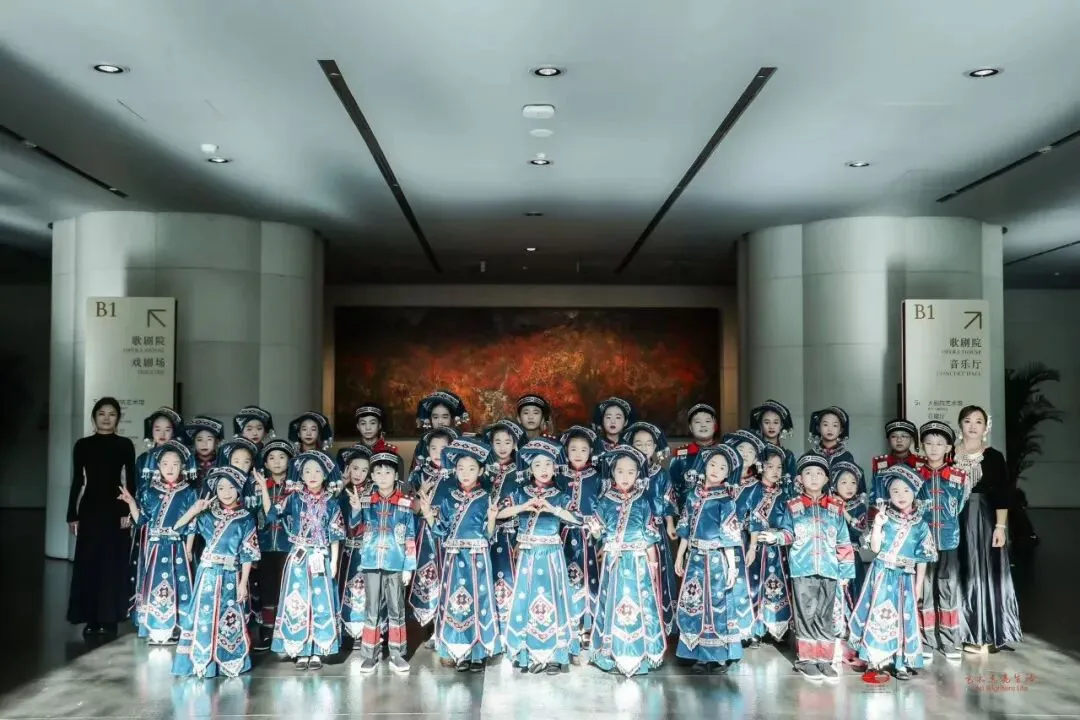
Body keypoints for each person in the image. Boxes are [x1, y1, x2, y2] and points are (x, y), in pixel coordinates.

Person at [758, 453, 855, 682]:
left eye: (819, 473)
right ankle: (807, 660)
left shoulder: (836, 508)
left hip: (829, 570)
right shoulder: (793, 506)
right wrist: (775, 537)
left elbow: (843, 541)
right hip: (802, 569)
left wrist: (845, 572)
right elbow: (788, 533)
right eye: (808, 473)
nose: (813, 477)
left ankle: (825, 659)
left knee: (824, 615)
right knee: (806, 614)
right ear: (800, 478)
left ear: (826, 479)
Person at [418, 438, 501, 672]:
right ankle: (458, 650)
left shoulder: (486, 497)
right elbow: (440, 530)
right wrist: (428, 513)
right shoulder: (449, 497)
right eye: (461, 468)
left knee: (479, 601)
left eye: (471, 469)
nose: (465, 473)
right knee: (454, 601)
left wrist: (492, 518)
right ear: (455, 470)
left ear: (481, 471)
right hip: (454, 557)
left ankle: (478, 653)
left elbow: (489, 534)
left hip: (477, 557)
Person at [847, 465, 937, 680]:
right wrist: (878, 526)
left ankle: (901, 662)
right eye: (895, 491)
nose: (901, 495)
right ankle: (874, 660)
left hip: (905, 578)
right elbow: (875, 548)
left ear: (914, 493)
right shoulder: (884, 517)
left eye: (906, 490)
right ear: (888, 494)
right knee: (877, 614)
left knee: (904, 618)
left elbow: (923, 559)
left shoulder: (921, 525)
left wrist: (918, 585)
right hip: (881, 574)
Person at [501, 437, 583, 674]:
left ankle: (556, 655)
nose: (543, 469)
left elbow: (578, 518)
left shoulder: (560, 494)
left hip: (551, 556)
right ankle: (527, 653)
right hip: (528, 554)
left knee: (553, 600)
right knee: (527, 601)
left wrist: (554, 509)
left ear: (555, 467)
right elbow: (498, 513)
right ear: (530, 468)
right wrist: (522, 507)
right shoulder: (520, 492)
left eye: (548, 464)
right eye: (537, 465)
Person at [258, 450, 346, 670]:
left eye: (317, 471)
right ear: (301, 475)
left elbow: (335, 535)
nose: (312, 475)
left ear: (325, 475)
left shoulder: (332, 502)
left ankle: (317, 651)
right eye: (307, 471)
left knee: (320, 602)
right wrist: (263, 489)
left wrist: (334, 562)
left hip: (321, 556)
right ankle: (300, 649)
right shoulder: (294, 498)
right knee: (297, 601)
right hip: (298, 557)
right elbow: (272, 514)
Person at [171, 466, 261, 678]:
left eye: (231, 487)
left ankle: (228, 659)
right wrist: (194, 510)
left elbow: (248, 553)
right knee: (203, 616)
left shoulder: (246, 518)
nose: (226, 492)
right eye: (221, 488)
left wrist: (243, 583)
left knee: (229, 617)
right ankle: (202, 662)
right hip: (208, 574)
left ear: (239, 489)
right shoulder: (206, 515)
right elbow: (177, 528)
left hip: (231, 574)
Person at [585, 445, 666, 677]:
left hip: (638, 562)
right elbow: (599, 533)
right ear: (612, 473)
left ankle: (644, 654)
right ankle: (609, 653)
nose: (625, 476)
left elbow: (650, 537)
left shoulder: (643, 501)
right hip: (614, 561)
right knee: (612, 603)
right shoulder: (605, 500)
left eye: (631, 472)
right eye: (620, 471)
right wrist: (596, 531)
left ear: (638, 474)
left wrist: (653, 565)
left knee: (641, 604)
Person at [951, 405, 1022, 654]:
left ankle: (985, 632)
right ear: (960, 425)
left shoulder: (993, 457)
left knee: (982, 572)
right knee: (955, 570)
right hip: (952, 519)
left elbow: (1003, 495)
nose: (972, 426)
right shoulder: (948, 453)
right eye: (967, 420)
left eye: (978, 421)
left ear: (986, 427)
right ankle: (955, 632)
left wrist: (1000, 527)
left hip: (983, 521)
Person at [66, 397, 137, 636]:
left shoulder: (125, 445)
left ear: (118, 419)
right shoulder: (83, 445)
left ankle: (110, 618)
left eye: (112, 414)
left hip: (116, 509)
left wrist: (129, 512)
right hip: (90, 510)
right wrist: (72, 514)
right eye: (101, 414)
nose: (106, 418)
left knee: (113, 564)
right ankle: (91, 618)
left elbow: (131, 482)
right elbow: (78, 480)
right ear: (94, 417)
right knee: (89, 563)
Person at [118, 439, 198, 644]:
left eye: (175, 464)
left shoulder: (189, 492)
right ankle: (156, 628)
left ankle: (177, 627)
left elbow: (192, 524)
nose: (170, 468)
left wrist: (189, 548)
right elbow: (141, 520)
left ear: (183, 467)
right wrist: (131, 502)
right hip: (154, 548)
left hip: (177, 547)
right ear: (158, 466)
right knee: (154, 585)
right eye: (165, 464)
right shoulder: (149, 491)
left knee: (178, 584)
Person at [675, 444, 744, 673]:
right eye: (712, 464)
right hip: (694, 558)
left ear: (728, 473)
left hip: (715, 559)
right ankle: (695, 652)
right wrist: (680, 555)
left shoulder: (726, 500)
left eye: (722, 467)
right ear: (704, 466)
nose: (716, 469)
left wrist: (732, 567)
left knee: (716, 606)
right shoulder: (693, 495)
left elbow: (729, 537)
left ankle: (718, 655)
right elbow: (685, 527)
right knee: (693, 603)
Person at [348, 451, 416, 674]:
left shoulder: (405, 504)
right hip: (370, 562)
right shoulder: (366, 502)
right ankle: (370, 654)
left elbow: (410, 537)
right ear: (372, 476)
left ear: (396, 475)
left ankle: (397, 653)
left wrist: (408, 567)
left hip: (396, 562)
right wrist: (355, 510)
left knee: (396, 608)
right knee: (372, 608)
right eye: (378, 472)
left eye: (388, 472)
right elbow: (355, 529)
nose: (383, 476)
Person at [916, 420, 969, 662]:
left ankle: (949, 641)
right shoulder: (915, 476)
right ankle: (926, 640)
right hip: (922, 543)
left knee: (947, 589)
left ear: (948, 447)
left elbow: (959, 507)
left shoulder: (959, 477)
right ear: (921, 446)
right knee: (924, 590)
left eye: (939, 444)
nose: (934, 448)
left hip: (948, 541)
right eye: (929, 443)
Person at [626, 421, 678, 635]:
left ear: (655, 447)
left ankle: (661, 620)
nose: (643, 447)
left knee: (659, 572)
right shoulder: (626, 472)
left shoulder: (661, 474)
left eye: (648, 443)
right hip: (631, 532)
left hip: (656, 531)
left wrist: (670, 524)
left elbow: (667, 500)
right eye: (638, 443)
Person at [407, 427, 457, 632]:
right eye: (433, 448)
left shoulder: (458, 473)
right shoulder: (419, 474)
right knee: (427, 574)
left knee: (448, 574)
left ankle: (446, 622)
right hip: (425, 534)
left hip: (449, 533)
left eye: (443, 448)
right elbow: (413, 508)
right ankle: (430, 622)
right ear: (427, 449)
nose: (438, 452)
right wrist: (422, 491)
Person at [558, 425, 603, 648]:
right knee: (568, 579)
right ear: (566, 451)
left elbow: (603, 507)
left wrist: (600, 536)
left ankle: (589, 626)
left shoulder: (598, 477)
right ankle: (570, 624)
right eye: (573, 449)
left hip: (590, 536)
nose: (578, 453)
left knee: (591, 579)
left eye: (583, 449)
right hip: (564, 536)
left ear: (591, 452)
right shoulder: (558, 475)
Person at [745, 444, 793, 648]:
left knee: (776, 586)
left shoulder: (785, 494)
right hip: (753, 546)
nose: (775, 471)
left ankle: (776, 627)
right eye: (770, 466)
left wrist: (778, 535)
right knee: (752, 586)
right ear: (761, 466)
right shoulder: (750, 489)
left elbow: (791, 523)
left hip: (776, 549)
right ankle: (753, 630)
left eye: (779, 467)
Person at [483, 419, 527, 638]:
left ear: (515, 444)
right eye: (497, 442)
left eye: (507, 442)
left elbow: (527, 507)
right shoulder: (482, 470)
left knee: (509, 579)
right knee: (486, 579)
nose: (502, 447)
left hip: (511, 534)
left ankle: (510, 628)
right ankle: (489, 627)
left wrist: (522, 537)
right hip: (484, 535)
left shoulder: (522, 472)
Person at [254, 438, 296, 650]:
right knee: (267, 588)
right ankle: (268, 630)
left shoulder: (296, 487)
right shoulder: (258, 488)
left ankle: (287, 630)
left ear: (290, 461)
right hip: (264, 547)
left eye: (282, 457)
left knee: (287, 588)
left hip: (289, 547)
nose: (277, 461)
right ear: (265, 463)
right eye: (272, 458)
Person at [829, 461, 868, 668]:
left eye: (853, 482)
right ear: (834, 484)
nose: (849, 486)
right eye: (843, 482)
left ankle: (854, 641)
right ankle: (835, 642)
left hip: (853, 557)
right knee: (835, 598)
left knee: (854, 595)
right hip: (833, 558)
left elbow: (859, 529)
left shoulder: (859, 505)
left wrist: (842, 511)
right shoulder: (826, 503)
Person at [669, 403, 719, 508]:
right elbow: (673, 489)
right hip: (687, 512)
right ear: (691, 428)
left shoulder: (724, 453)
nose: (703, 425)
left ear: (714, 425)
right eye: (697, 422)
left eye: (707, 421)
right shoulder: (680, 455)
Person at [410, 390, 469, 472]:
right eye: (435, 417)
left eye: (445, 417)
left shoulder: (461, 441)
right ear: (430, 419)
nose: (440, 422)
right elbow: (415, 472)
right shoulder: (423, 442)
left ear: (452, 418)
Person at [869, 419, 922, 509]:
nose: (899, 440)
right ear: (888, 440)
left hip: (914, 512)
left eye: (904, 436)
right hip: (886, 512)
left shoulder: (920, 462)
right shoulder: (880, 462)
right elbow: (875, 493)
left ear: (912, 440)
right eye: (894, 436)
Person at [750, 400, 797, 489]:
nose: (771, 426)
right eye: (767, 422)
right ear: (760, 425)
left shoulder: (788, 456)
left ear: (781, 425)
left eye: (775, 422)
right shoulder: (752, 453)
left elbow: (792, 484)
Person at [806, 407, 856, 482]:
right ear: (818, 428)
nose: (830, 429)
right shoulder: (811, 455)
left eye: (835, 425)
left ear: (841, 430)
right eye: (825, 424)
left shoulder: (847, 456)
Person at [182, 416, 224, 494]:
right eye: (199, 440)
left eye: (209, 439)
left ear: (216, 442)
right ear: (194, 442)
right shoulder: (187, 464)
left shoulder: (223, 463)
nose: (204, 444)